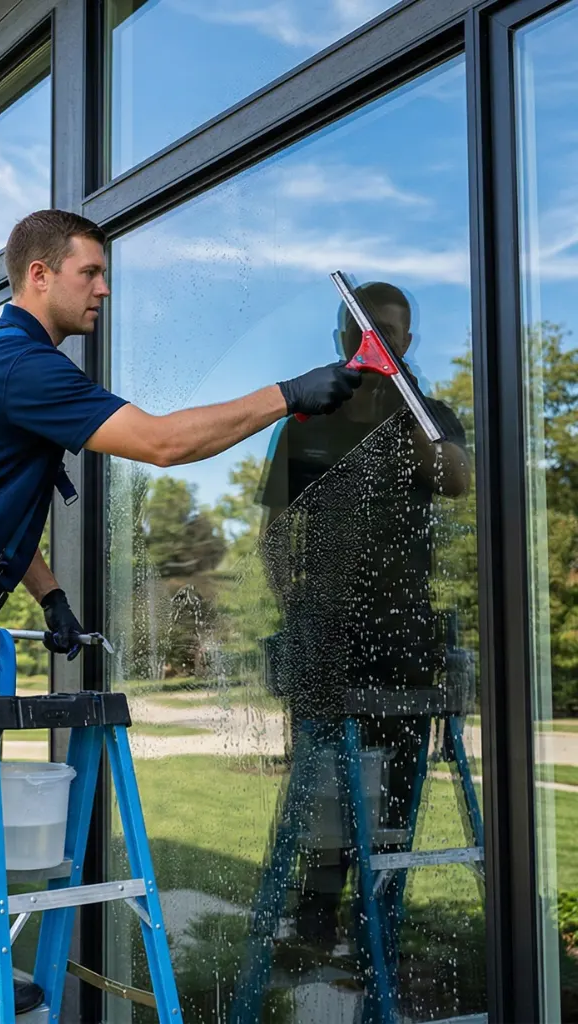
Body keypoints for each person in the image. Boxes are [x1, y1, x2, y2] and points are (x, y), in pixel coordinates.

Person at [0, 209, 362, 1024]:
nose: (104, 288)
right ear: (39, 274)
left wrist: (47, 592)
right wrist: (285, 397)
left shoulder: (0, 361)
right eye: (91, 273)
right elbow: (162, 443)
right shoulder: (17, 363)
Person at [255, 281, 471, 948]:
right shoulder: (312, 419)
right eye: (367, 328)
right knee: (320, 780)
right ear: (344, 338)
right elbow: (271, 532)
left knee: (401, 776)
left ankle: (379, 919)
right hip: (323, 628)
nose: (380, 339)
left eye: (393, 331)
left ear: (407, 343)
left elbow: (459, 479)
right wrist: (298, 604)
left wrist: (402, 403)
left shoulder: (429, 414)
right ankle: (316, 913)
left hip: (405, 627)